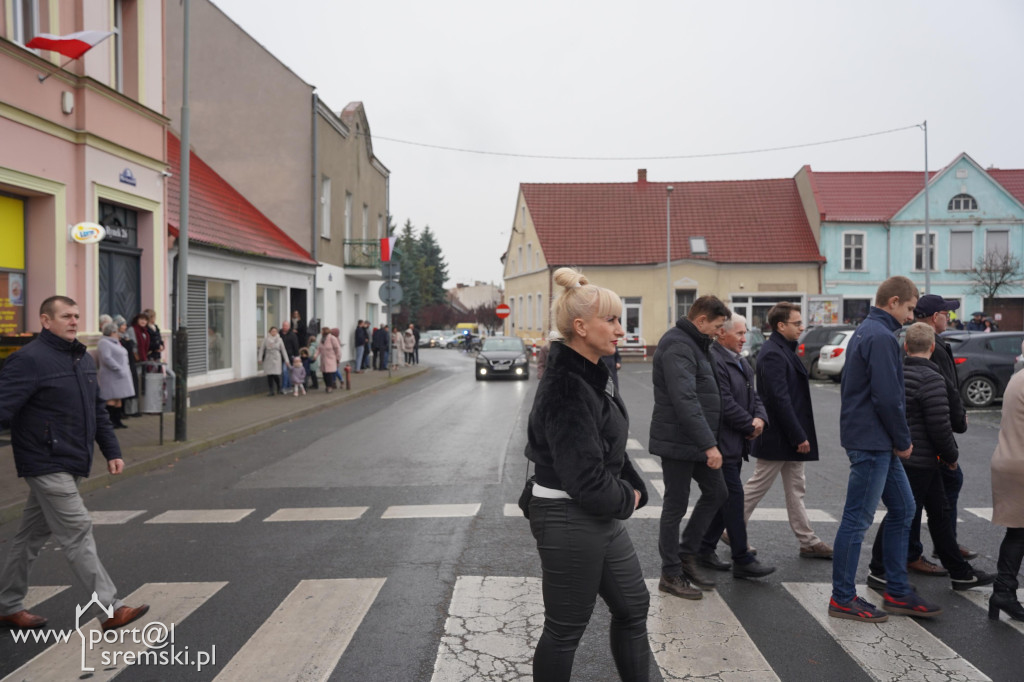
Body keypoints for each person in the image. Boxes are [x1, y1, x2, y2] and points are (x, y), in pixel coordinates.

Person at [524, 267, 650, 681]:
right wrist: (628, 497)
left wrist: (632, 486)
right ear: (580, 327)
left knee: (633, 606)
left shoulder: (592, 372)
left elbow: (607, 446)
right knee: (565, 630)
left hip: (597, 515)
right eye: (610, 320)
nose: (621, 330)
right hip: (568, 516)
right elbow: (585, 480)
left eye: (620, 320)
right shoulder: (567, 385)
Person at [0, 296, 149, 632]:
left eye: (76, 316)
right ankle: (111, 608)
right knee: (77, 530)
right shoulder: (28, 360)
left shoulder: (80, 358)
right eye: (66, 316)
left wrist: (112, 450)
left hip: (73, 459)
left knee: (29, 537)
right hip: (44, 460)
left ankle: (7, 605)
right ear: (45, 320)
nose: (73, 321)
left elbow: (97, 411)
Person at [829, 276, 941, 622]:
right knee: (857, 519)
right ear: (893, 301)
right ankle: (843, 598)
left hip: (873, 439)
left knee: (904, 508)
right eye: (909, 308)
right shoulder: (881, 336)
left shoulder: (868, 331)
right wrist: (903, 440)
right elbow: (888, 397)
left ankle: (897, 590)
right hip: (873, 441)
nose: (910, 316)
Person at [867, 323, 994, 593]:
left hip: (904, 455)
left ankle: (959, 572)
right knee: (905, 512)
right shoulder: (932, 379)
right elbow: (939, 425)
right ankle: (878, 568)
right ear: (933, 347)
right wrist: (951, 456)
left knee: (939, 511)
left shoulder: (896, 374)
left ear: (905, 347)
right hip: (922, 459)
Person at [650, 295, 731, 599]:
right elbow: (685, 399)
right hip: (678, 440)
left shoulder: (697, 343)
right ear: (701, 320)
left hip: (695, 438)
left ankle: (685, 556)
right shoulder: (678, 345)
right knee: (675, 505)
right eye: (718, 326)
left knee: (717, 492)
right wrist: (709, 444)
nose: (720, 332)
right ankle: (670, 573)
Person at [741, 302, 833, 560]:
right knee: (757, 486)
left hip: (787, 435)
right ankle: (729, 528)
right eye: (797, 323)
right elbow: (779, 400)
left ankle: (808, 540)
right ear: (781, 326)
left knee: (796, 488)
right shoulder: (773, 353)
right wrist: (798, 435)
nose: (802, 327)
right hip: (779, 436)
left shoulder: (782, 349)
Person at [698, 313, 775, 579]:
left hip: (734, 442)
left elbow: (754, 396)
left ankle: (704, 547)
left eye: (745, 333)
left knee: (725, 498)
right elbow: (724, 402)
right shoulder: (715, 360)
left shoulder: (739, 360)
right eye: (740, 333)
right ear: (722, 333)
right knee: (733, 498)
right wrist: (749, 425)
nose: (744, 338)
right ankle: (742, 558)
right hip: (721, 442)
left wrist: (760, 419)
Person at [907, 294, 976, 575]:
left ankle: (944, 546)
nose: (949, 318)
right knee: (934, 493)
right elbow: (946, 390)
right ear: (935, 317)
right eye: (946, 314)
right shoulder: (932, 346)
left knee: (928, 497)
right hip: (929, 438)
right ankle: (929, 549)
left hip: (921, 438)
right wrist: (958, 422)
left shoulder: (918, 341)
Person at [988, 367, 1024, 622]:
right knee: (1019, 533)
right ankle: (1003, 591)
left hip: (1008, 459)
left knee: (1018, 532)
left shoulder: (1017, 378)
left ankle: (1003, 591)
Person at [97, 320, 135, 429]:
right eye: (115, 331)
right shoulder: (104, 342)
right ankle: (110, 422)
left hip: (120, 375)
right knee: (111, 398)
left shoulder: (116, 342)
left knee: (119, 398)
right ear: (111, 332)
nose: (117, 333)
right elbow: (106, 358)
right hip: (111, 375)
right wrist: (118, 368)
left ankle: (118, 421)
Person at [259, 326, 287, 396]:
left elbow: (283, 350)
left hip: (276, 357)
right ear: (270, 332)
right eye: (272, 331)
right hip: (268, 357)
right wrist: (260, 358)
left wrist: (287, 360)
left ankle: (279, 387)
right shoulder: (266, 339)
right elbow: (262, 349)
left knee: (275, 374)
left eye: (275, 331)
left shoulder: (279, 339)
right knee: (269, 374)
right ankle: (271, 390)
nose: (274, 332)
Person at [316, 327, 342, 393]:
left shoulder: (332, 338)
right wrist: (315, 356)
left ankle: (330, 387)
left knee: (329, 374)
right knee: (324, 374)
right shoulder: (322, 339)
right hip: (323, 359)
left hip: (331, 358)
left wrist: (338, 358)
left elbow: (337, 349)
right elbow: (319, 348)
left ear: (325, 331)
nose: (321, 332)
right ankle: (327, 386)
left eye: (322, 331)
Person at [280, 321, 300, 390]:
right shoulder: (279, 334)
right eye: (283, 325)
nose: (284, 327)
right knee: (286, 372)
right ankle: (289, 386)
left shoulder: (292, 335)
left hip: (289, 356)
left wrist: (296, 356)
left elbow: (296, 345)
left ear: (289, 327)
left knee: (285, 371)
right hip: (280, 356)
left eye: (286, 326)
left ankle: (284, 387)